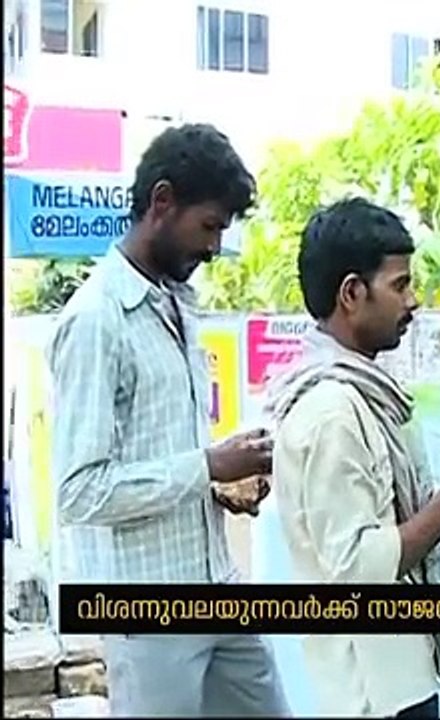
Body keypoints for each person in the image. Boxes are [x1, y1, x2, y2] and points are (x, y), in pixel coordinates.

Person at [266, 197, 440, 718]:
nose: (413, 301)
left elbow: (387, 523)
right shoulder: (333, 410)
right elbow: (359, 568)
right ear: (352, 293)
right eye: (400, 285)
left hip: (397, 679)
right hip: (376, 695)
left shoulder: (362, 395)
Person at [46, 123, 290, 718]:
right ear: (162, 202)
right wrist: (205, 466)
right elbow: (80, 492)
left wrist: (220, 482)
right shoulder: (97, 321)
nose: (213, 247)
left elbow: (157, 455)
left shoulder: (176, 303)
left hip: (216, 584)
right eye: (208, 226)